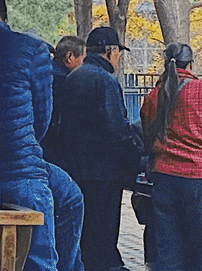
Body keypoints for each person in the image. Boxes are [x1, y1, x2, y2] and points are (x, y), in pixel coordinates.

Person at [0, 0, 82, 271]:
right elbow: (41, 118)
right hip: (18, 169)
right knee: (70, 198)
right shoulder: (29, 49)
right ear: (4, 14)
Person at [50, 25, 142, 271]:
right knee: (103, 235)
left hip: (76, 169)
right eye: (118, 52)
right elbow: (117, 130)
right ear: (111, 51)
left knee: (86, 236)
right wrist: (137, 161)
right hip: (103, 175)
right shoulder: (104, 81)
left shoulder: (75, 76)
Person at [139, 43, 202, 271]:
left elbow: (146, 133)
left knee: (170, 249)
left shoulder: (155, 95)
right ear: (190, 64)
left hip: (165, 177)